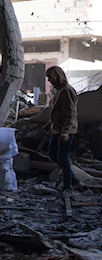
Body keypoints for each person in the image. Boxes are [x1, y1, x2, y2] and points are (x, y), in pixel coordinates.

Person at [43, 66, 80, 196]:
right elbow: (59, 111)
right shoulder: (59, 91)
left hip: (65, 130)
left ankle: (68, 186)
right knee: (53, 154)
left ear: (57, 76)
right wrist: (50, 123)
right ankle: (73, 180)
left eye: (50, 77)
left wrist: (65, 132)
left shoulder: (67, 91)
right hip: (57, 128)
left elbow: (70, 114)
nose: (49, 80)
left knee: (62, 157)